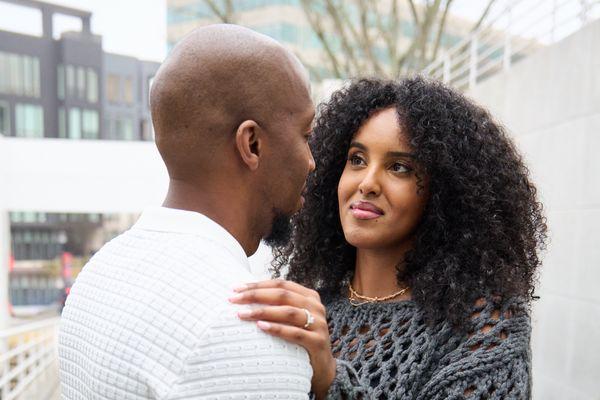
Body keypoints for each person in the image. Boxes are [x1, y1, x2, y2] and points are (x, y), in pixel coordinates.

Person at [230, 76, 547, 399]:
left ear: (444, 194)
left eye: (399, 167)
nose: (367, 183)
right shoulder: (313, 308)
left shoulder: (485, 325)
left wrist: (331, 380)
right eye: (357, 160)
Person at [58, 24, 316, 399]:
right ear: (252, 144)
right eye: (306, 136)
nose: (311, 162)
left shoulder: (98, 273)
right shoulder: (249, 329)